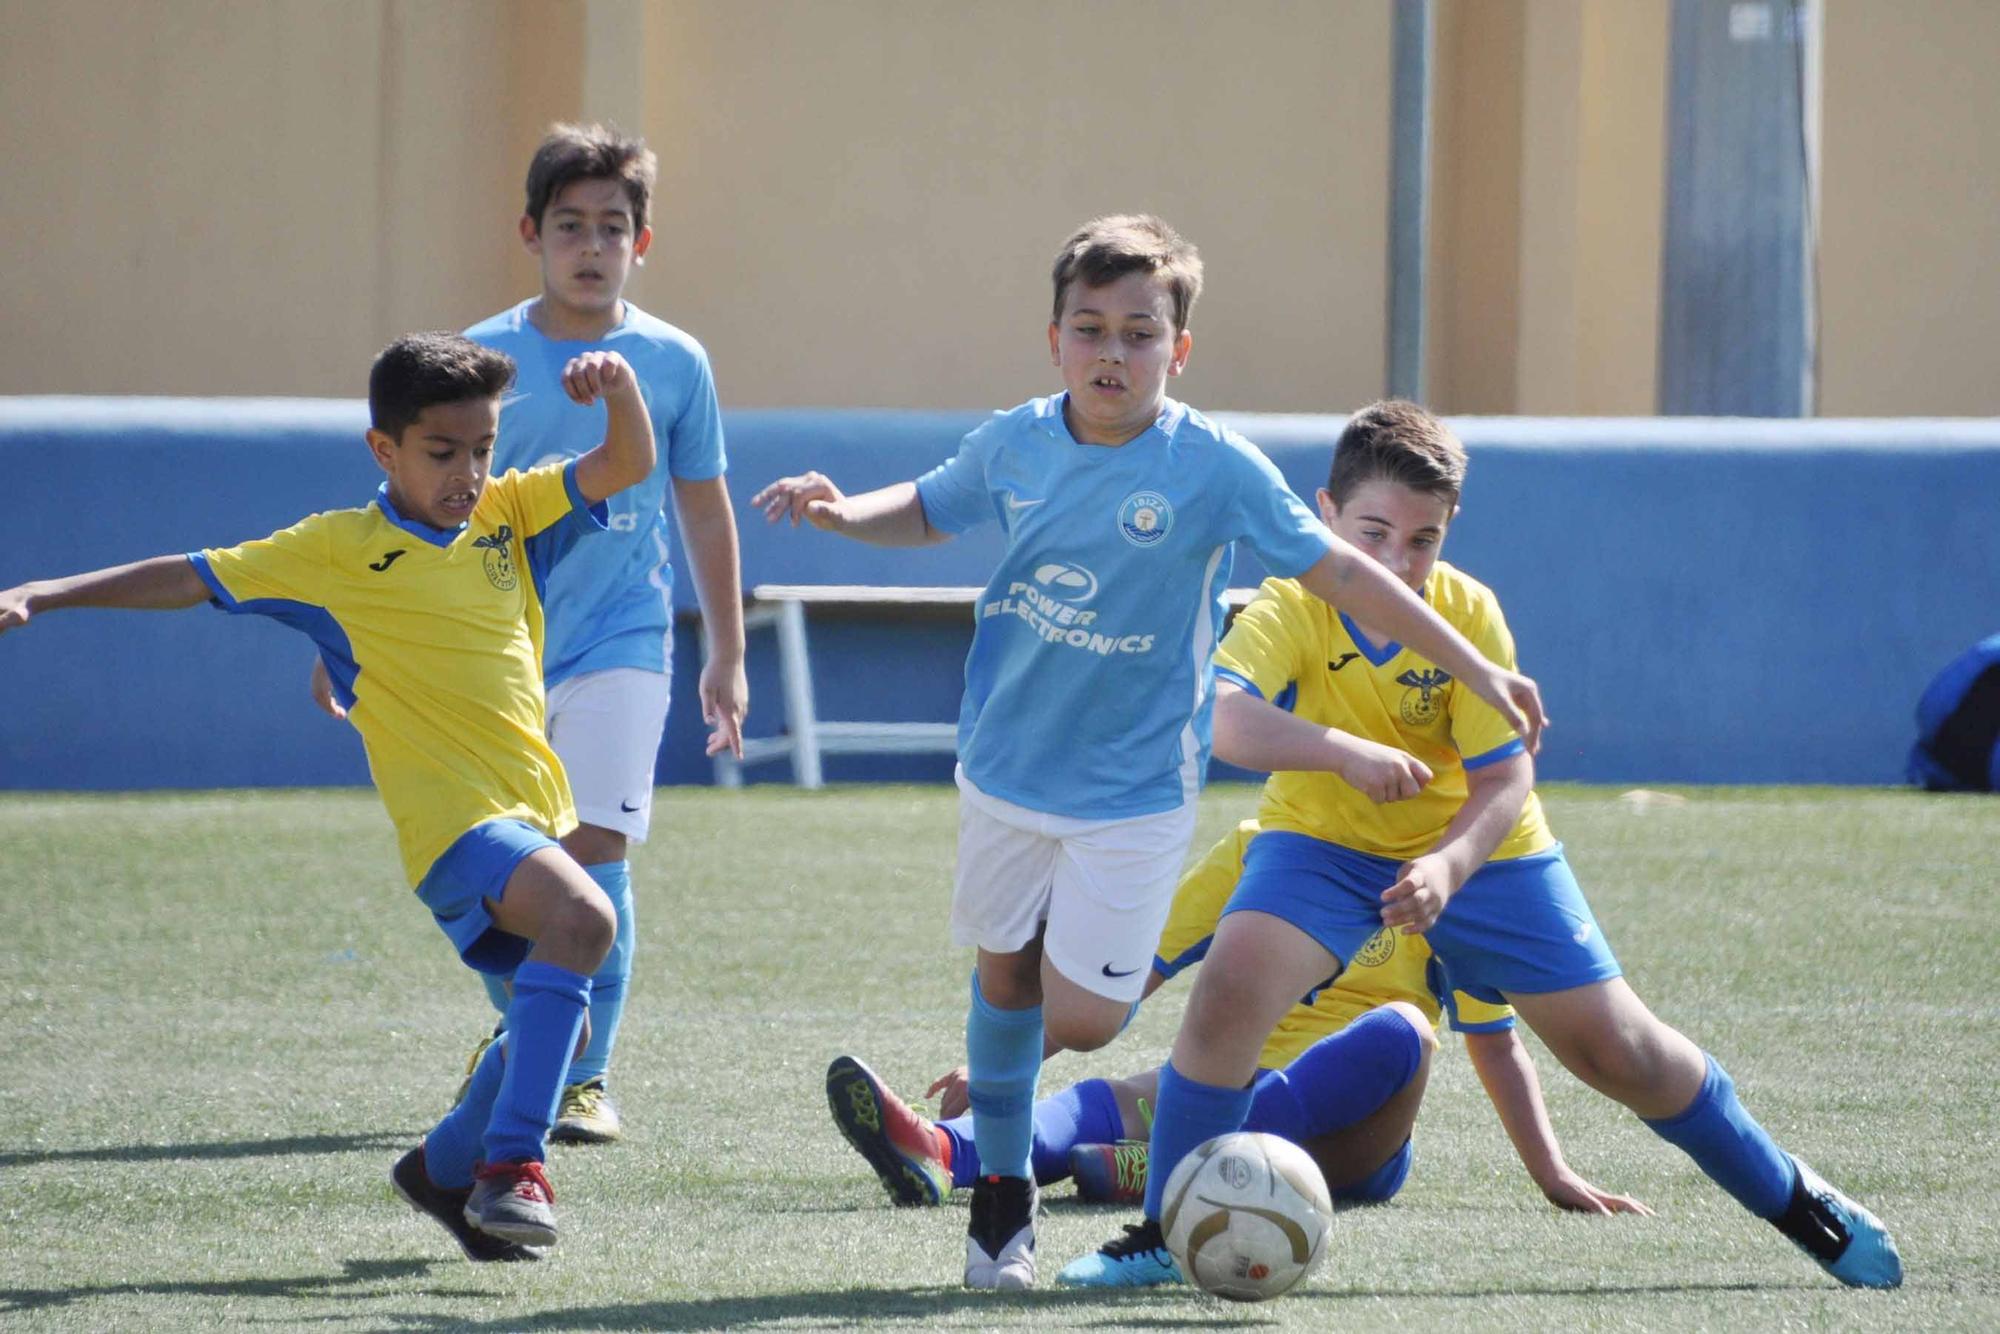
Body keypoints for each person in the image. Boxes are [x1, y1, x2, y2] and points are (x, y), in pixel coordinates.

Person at [753, 216, 1547, 1289]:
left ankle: (1036, 1130)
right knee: (1002, 969)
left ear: (1178, 350)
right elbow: (931, 508)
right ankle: (999, 1194)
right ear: (1053, 341)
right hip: (1002, 766)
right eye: (1089, 329)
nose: (1111, 352)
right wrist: (845, 510)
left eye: (1138, 332)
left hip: (1131, 789)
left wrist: (1478, 668)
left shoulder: (1211, 466)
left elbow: (1353, 578)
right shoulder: (1016, 441)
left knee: (1081, 1013)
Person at [1058, 400, 1903, 1290]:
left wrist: (1445, 867)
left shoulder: (1469, 616)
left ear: (1447, 534)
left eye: (1423, 540)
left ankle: (1799, 1200)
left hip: (1483, 855)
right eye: (1374, 532)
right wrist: (1341, 753)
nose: (1397, 561)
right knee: (1230, 986)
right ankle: (1160, 1231)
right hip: (1322, 845)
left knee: (1620, 1053)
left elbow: (1505, 781)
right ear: (1326, 515)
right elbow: (1221, 721)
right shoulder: (1287, 604)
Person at [3, 333, 656, 1259]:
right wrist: (48, 590)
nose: (468, 473)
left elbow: (627, 460)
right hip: (457, 828)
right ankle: (513, 1167)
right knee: (589, 921)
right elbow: (190, 576)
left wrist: (622, 388)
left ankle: (440, 1168)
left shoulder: (511, 512)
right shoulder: (334, 551)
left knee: (558, 1015)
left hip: (529, 814)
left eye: (482, 449)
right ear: (383, 450)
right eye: (442, 452)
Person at [314, 124, 747, 1146]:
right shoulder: (482, 359)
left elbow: (705, 507)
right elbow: (404, 515)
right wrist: (343, 638)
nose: (590, 245)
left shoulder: (676, 361)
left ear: (643, 241)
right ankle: (527, 1042)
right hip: (487, 655)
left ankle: (582, 1075)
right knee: (527, 860)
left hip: (622, 642)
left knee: (596, 846)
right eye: (569, 225)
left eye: (612, 226)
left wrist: (726, 649)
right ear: (530, 233)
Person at [828, 820, 1650, 1216]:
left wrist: (1553, 1174)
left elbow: (1496, 1044)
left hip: (1354, 1144)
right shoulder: (1259, 848)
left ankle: (1166, 1169)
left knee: (1403, 1032)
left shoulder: (1445, 879)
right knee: (1101, 1099)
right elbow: (1131, 977)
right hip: (1232, 1088)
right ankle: (941, 1155)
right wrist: (1009, 1068)